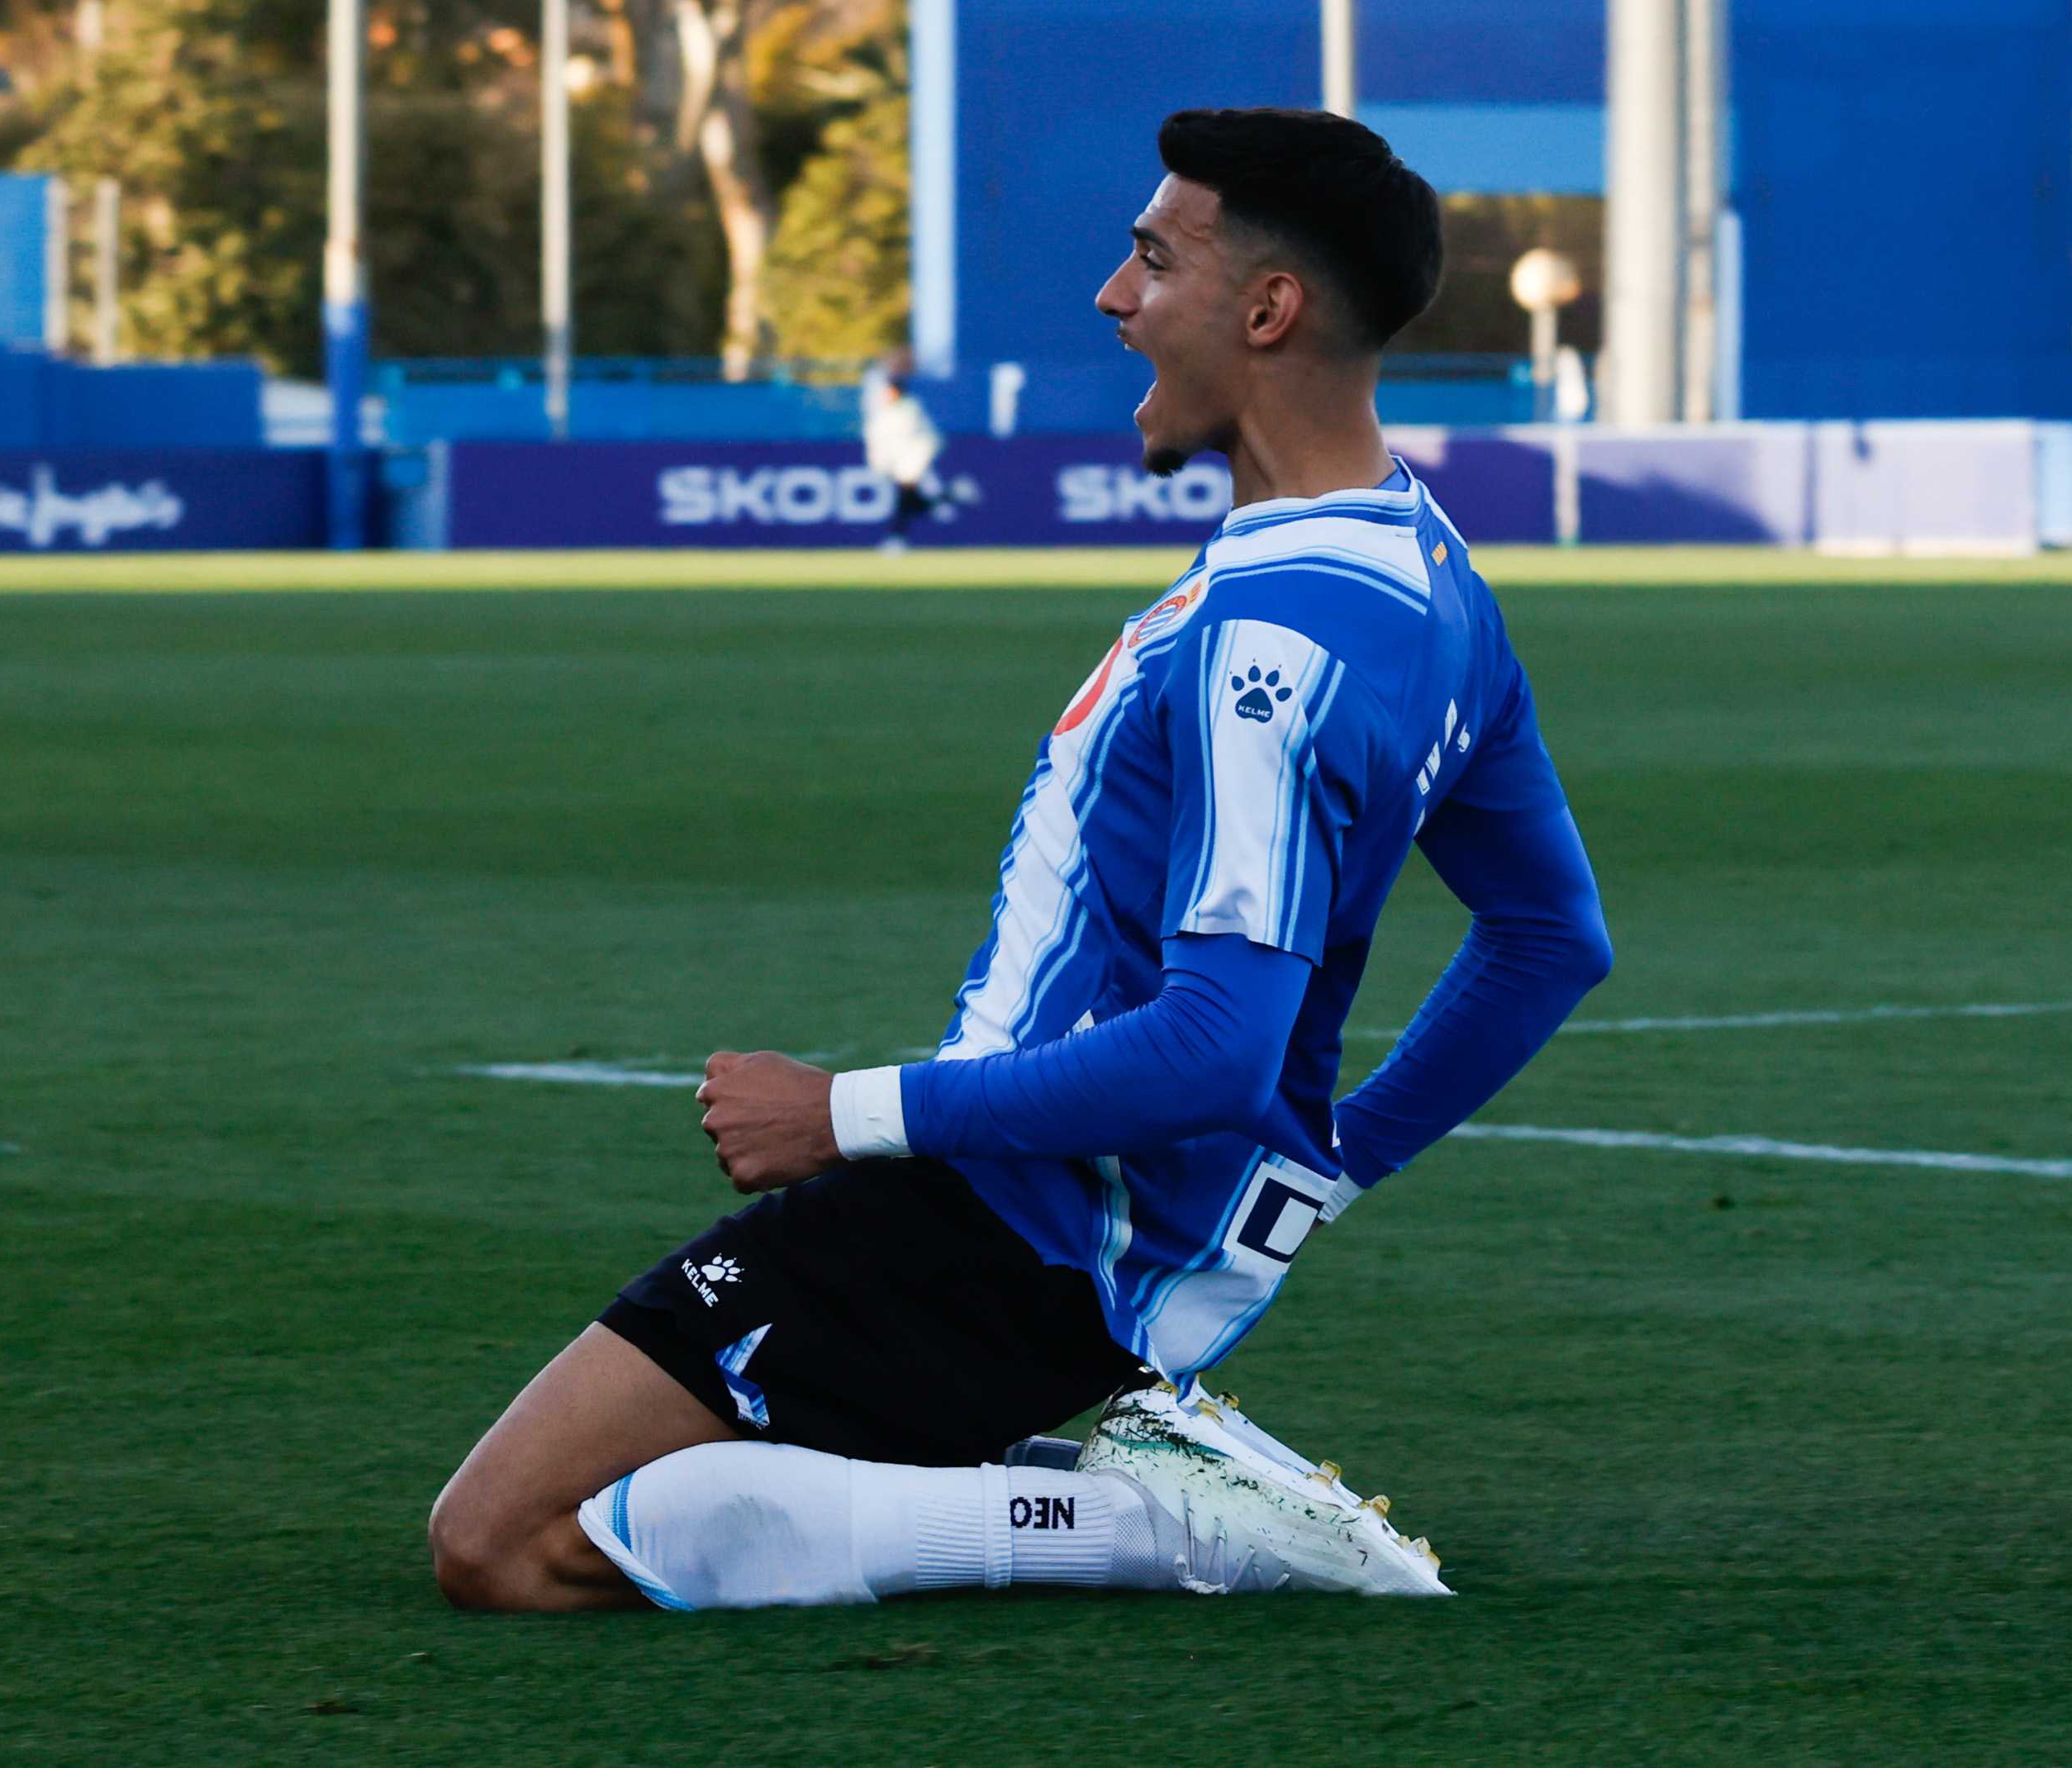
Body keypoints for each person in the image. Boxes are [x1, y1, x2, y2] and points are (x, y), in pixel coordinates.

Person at [427, 107, 1614, 1614]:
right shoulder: (1431, 571)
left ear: (1267, 310)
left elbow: (1215, 1045)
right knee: (652, 1495)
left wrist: (841, 1115)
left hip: (1002, 1222)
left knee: (506, 1538)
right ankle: (1111, 1478)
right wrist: (1317, 1179)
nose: (1115, 298)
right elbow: (1549, 940)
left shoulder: (1269, 640)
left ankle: (1151, 1524)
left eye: (1153, 260)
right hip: (1104, 1240)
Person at [859, 349, 944, 552]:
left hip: (912, 458)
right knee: (912, 501)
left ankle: (896, 538)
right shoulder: (885, 407)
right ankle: (952, 495)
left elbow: (910, 438)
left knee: (904, 497)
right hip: (900, 460)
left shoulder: (908, 408)